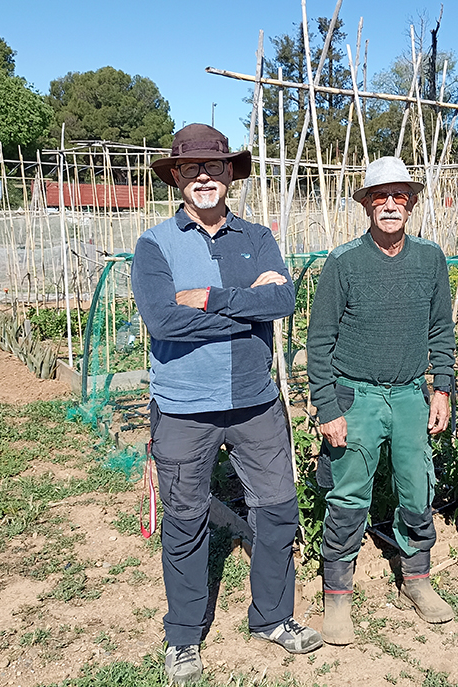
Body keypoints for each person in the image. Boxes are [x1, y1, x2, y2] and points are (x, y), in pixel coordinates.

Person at [132, 124, 322, 685]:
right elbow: (163, 319)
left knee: (278, 507)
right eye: (191, 169)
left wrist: (212, 298)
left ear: (230, 175)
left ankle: (272, 617)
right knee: (186, 519)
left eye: (214, 168)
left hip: (254, 401)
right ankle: (185, 636)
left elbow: (283, 298)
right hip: (185, 405)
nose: (204, 177)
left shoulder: (258, 237)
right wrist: (248, 307)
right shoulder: (154, 244)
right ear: (177, 179)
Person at [306, 156, 456, 645]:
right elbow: (319, 339)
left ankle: (417, 579)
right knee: (349, 494)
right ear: (367, 205)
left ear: (410, 205)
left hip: (412, 393)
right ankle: (337, 595)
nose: (390, 205)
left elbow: (441, 330)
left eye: (399, 197)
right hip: (359, 395)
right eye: (380, 197)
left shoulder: (430, 258)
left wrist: (443, 387)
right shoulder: (344, 262)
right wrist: (328, 407)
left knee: (417, 488)